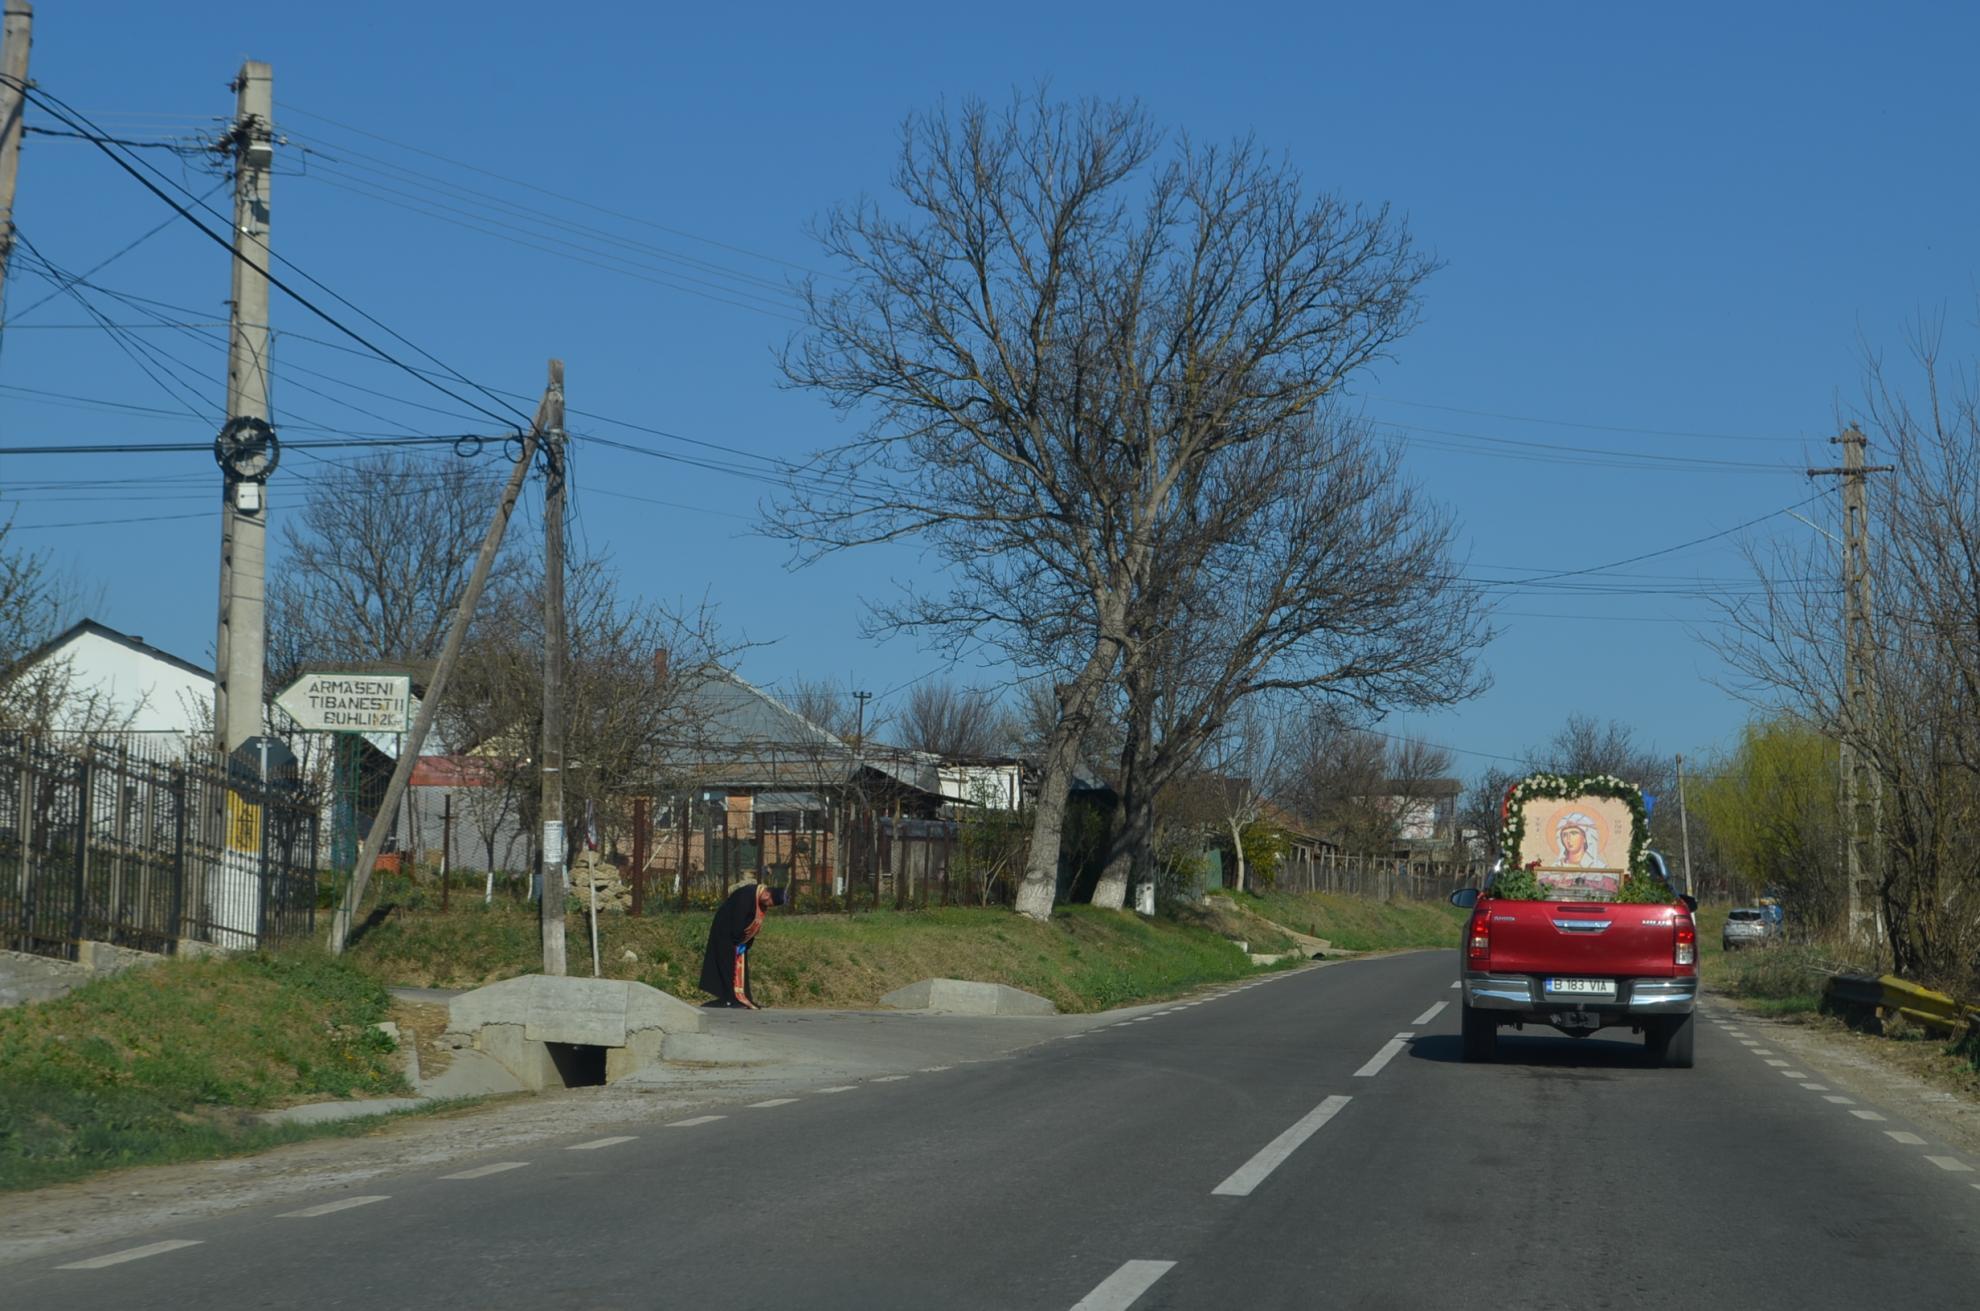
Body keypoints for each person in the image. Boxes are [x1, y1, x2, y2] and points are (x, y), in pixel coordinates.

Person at [698, 880, 787, 1009]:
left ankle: (741, 997)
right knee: (726, 963)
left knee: (739, 968)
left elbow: (752, 923)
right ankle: (728, 998)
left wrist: (746, 943)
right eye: (769, 903)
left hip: (738, 936)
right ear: (767, 894)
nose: (767, 906)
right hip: (725, 930)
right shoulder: (747, 894)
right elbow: (738, 919)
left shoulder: (759, 898)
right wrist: (738, 939)